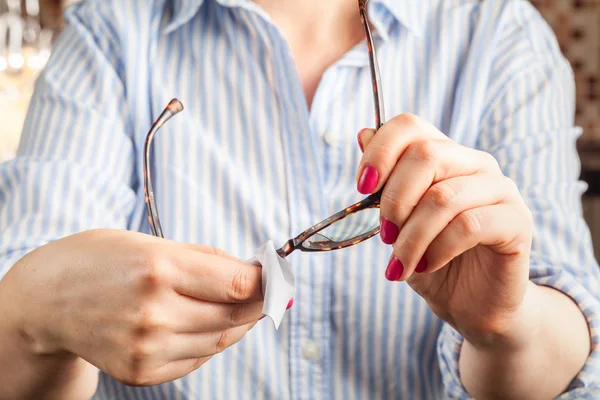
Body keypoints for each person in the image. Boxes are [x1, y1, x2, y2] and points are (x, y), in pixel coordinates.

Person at [0, 0, 599, 398]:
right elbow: (20, 309)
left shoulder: (498, 31)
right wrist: (36, 311)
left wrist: (506, 323)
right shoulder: (112, 29)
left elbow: (572, 335)